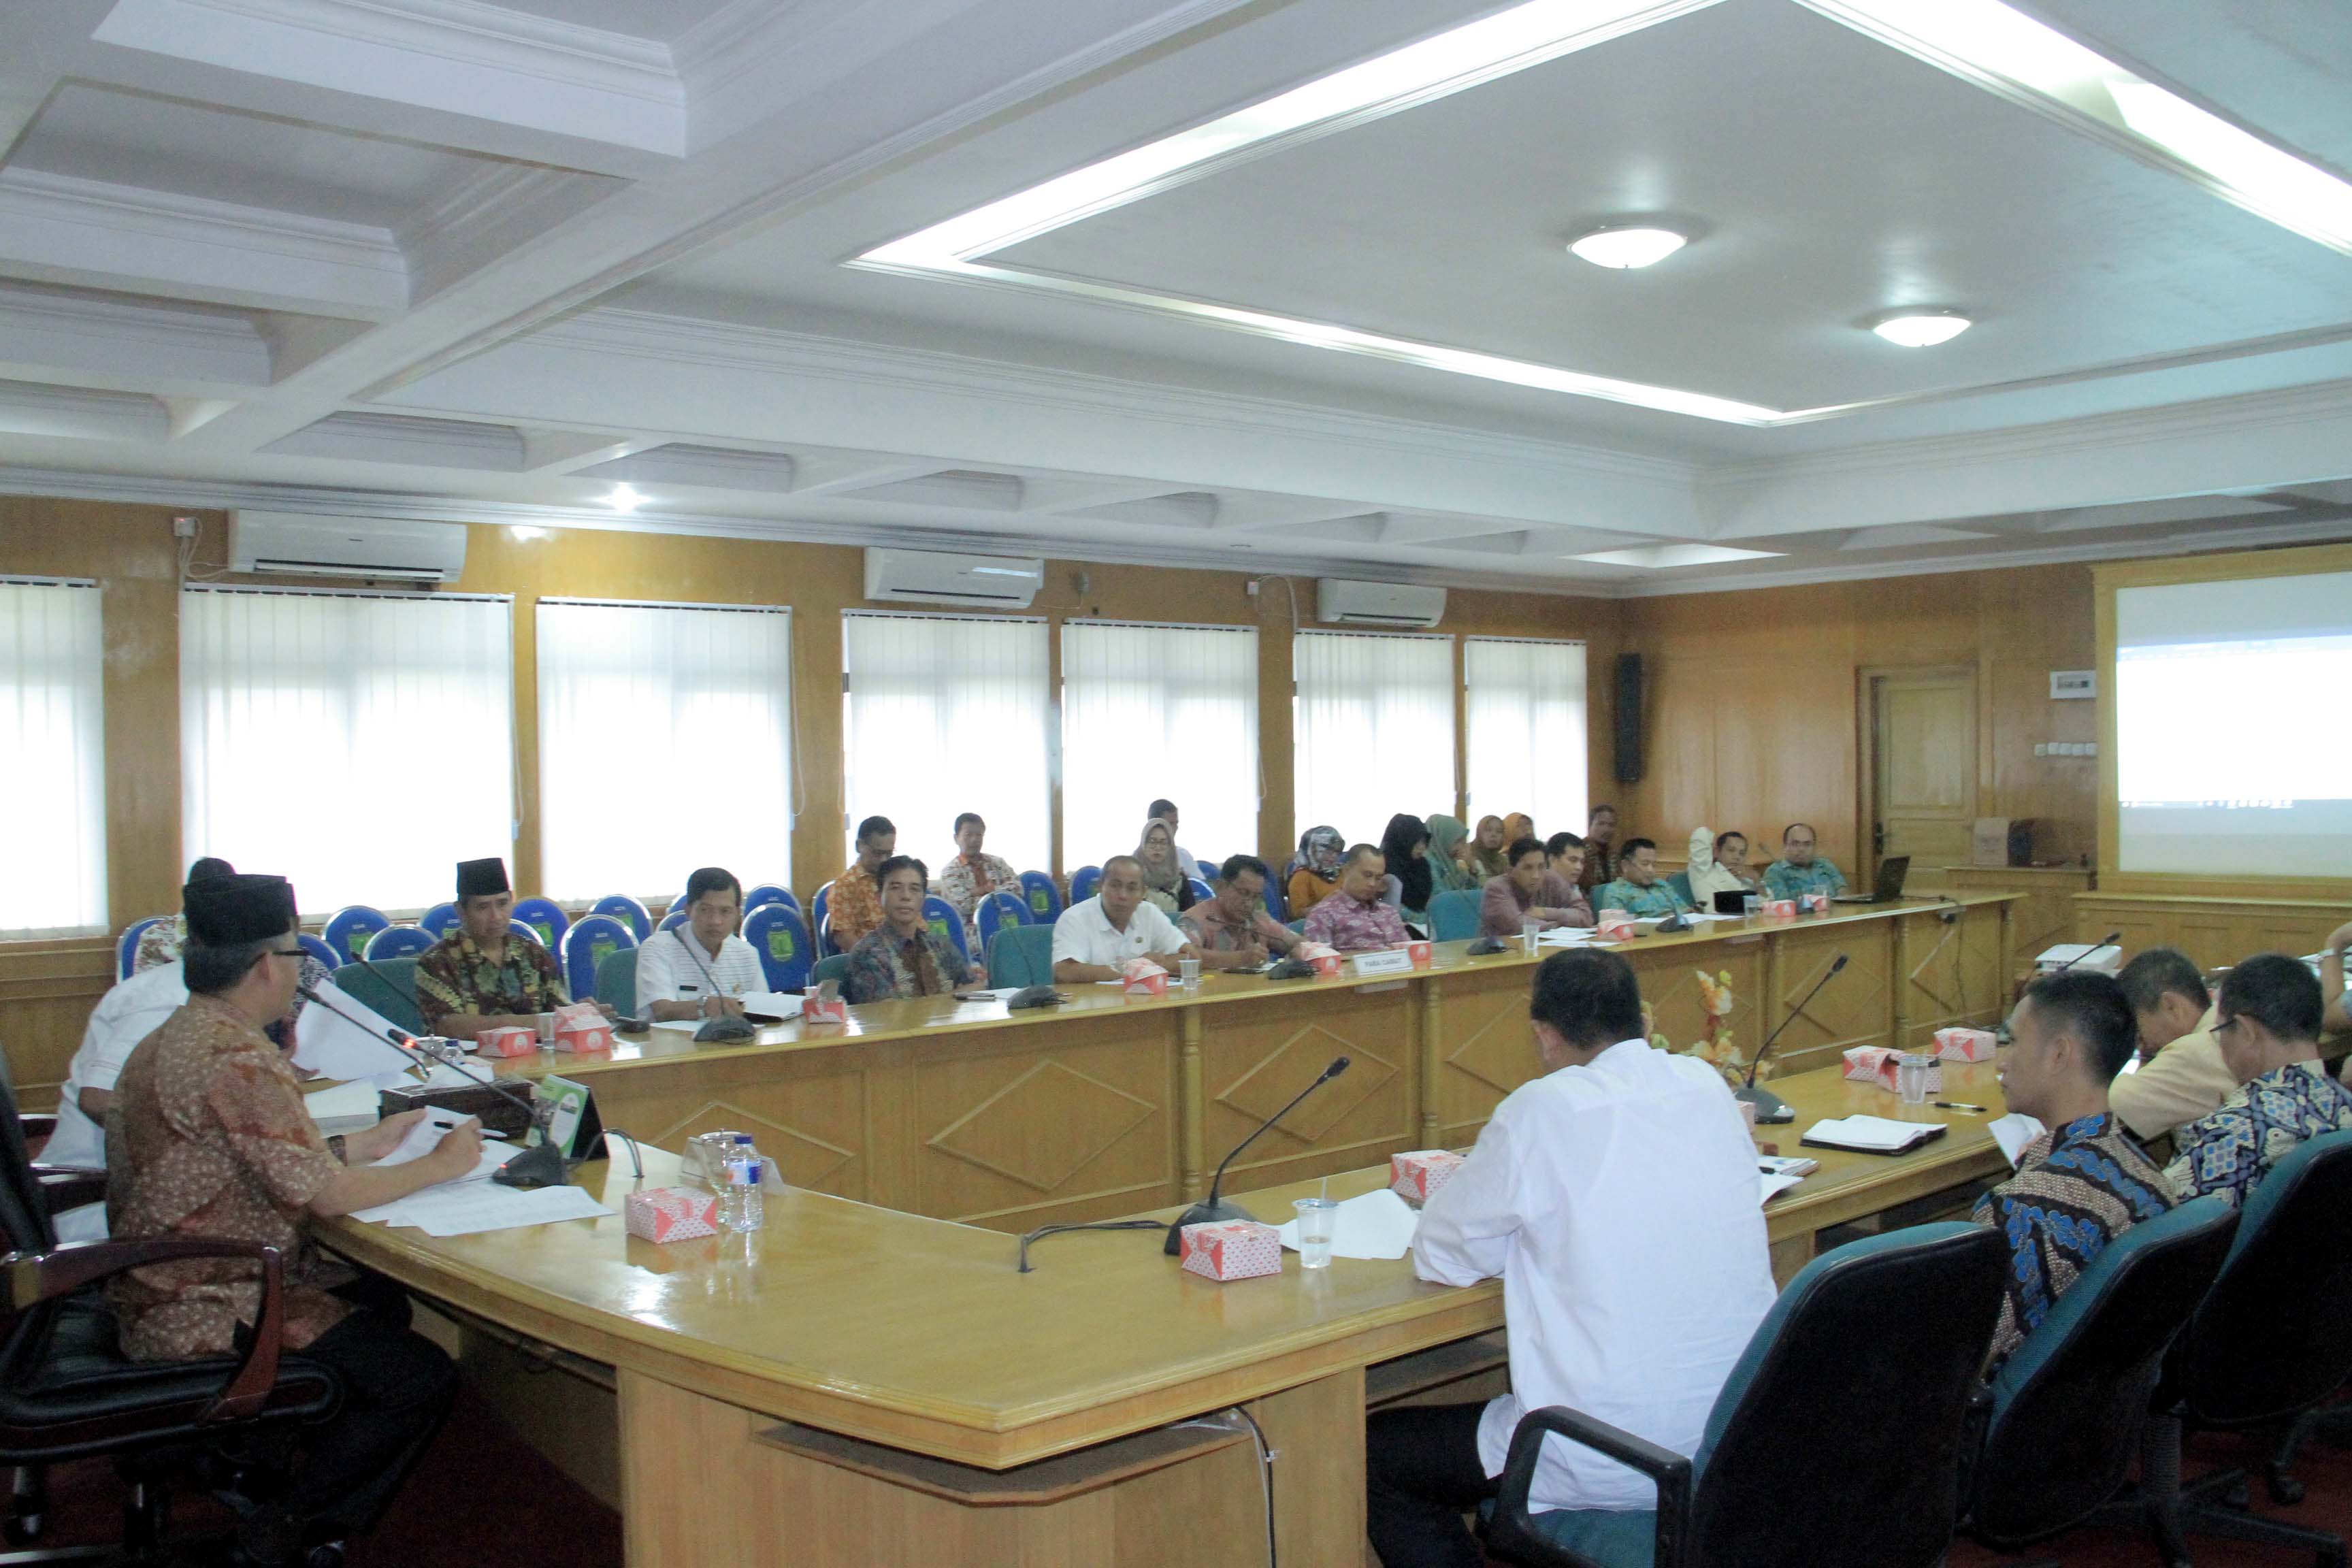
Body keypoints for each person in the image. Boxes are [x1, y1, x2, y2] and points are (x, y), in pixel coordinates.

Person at [105, 873, 477, 1564]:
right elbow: (326, 1198)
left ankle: (251, 1461)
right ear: (267, 965)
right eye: (298, 957)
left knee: (380, 1300)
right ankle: (286, 1525)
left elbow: (245, 1155)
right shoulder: (239, 1057)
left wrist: (363, 1145)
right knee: (418, 1380)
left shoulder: (184, 1032)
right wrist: (440, 1165)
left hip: (157, 1277)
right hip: (204, 1301)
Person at [1366, 948, 1775, 1568]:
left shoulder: (1541, 1108)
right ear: (1642, 1019)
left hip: (1607, 1455)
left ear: (1544, 1034)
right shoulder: (1705, 1085)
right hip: (1734, 1439)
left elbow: (1443, 1258)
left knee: (1373, 1457)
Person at [1971, 973, 2174, 1369]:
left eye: (2013, 1041)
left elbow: (1959, 1357)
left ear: (2059, 1054)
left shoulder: (2019, 1209)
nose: (2002, 1061)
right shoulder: (2152, 1179)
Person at [2165, 953, 2352, 1207]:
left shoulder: (2231, 1134)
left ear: (2246, 1031)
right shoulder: (2345, 1105)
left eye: (2220, 1031)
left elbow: (2152, 1220)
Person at [414, 858, 601, 1036]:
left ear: (512, 901)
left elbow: (558, 1012)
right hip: (468, 1059)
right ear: (461, 911)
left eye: (502, 904)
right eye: (483, 908)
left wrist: (582, 1014)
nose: (496, 916)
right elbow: (446, 1026)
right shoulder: (437, 962)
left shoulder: (535, 955)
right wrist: (527, 1023)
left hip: (536, 1057)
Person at [2110, 947, 2230, 1143]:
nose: (2140, 1044)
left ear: (2171, 1006)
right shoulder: (2222, 1021)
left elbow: (2107, 1104)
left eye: (2138, 1030)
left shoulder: (2194, 1051)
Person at [844, 855, 983, 1002]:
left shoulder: (940, 945)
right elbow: (887, 1010)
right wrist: (954, 996)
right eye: (896, 888)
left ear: (923, 899)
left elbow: (977, 987)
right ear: (879, 898)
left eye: (914, 889)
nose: (906, 896)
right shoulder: (867, 953)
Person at [637, 867, 765, 1022]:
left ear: (737, 914)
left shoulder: (747, 954)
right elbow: (662, 1011)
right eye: (705, 910)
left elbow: (763, 1012)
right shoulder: (658, 948)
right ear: (688, 911)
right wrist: (705, 1006)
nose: (716, 921)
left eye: (725, 911)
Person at [1051, 855, 1198, 983]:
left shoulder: (1149, 913)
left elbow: (1192, 957)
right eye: (1115, 886)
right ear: (1100, 887)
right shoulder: (1075, 918)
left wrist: (1147, 967)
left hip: (1142, 1002)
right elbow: (1064, 972)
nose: (1123, 895)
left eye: (1132, 888)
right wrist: (1134, 968)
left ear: (1143, 893)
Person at [1181, 855, 1301, 969]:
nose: (1249, 903)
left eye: (1256, 896)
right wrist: (1240, 959)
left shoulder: (1258, 919)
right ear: (1220, 886)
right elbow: (1185, 956)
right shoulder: (1194, 919)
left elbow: (1298, 941)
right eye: (1243, 893)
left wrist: (1299, 950)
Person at [131, 855, 237, 973]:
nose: (215, 902)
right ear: (190, 895)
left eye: (224, 895)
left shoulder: (246, 937)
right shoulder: (155, 939)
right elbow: (147, 984)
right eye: (208, 894)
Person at [1302, 844, 1409, 952]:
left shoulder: (1390, 912)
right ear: (1346, 871)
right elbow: (1320, 959)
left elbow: (1411, 953)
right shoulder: (1324, 914)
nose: (1372, 884)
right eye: (1367, 875)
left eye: (1378, 878)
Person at [938, 812, 1022, 953]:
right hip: (971, 935)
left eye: (979, 835)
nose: (974, 840)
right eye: (968, 835)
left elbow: (1018, 890)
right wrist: (997, 895)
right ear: (956, 838)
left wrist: (983, 891)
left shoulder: (997, 863)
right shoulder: (950, 872)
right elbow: (965, 905)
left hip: (1006, 924)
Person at [1481, 836, 1592, 937]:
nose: (1536, 876)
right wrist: (1561, 926)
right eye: (1528, 868)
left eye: (1541, 867)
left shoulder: (1553, 880)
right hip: (1504, 951)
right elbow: (1517, 925)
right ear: (1510, 870)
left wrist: (1546, 913)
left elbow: (1586, 916)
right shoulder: (1496, 888)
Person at [827, 816, 896, 951]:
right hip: (868, 959)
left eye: (889, 854)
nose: (884, 860)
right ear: (859, 846)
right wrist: (880, 960)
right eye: (877, 853)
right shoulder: (846, 885)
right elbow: (844, 937)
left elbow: (916, 927)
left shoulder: (896, 879)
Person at [1590, 838, 1690, 920]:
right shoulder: (1616, 891)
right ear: (1625, 866)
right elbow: (1618, 927)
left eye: (1654, 865)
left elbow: (1686, 913)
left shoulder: (1662, 885)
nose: (1651, 870)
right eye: (1645, 864)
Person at [1763, 823, 1848, 901]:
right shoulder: (1775, 872)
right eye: (1795, 844)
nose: (1801, 849)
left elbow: (1843, 892)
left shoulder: (1825, 864)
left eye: (1807, 844)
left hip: (1835, 911)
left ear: (1814, 847)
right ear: (1785, 846)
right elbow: (1782, 903)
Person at [1685, 826, 1761, 905]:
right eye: (1731, 850)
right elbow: (1701, 833)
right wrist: (1717, 840)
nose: (1737, 857)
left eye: (1742, 853)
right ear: (1717, 851)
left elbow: (1766, 904)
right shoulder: (1703, 870)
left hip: (1750, 913)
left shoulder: (1747, 878)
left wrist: (1757, 879)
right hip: (1716, 913)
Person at [1381, 813, 1435, 923]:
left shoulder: (1423, 865)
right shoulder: (1383, 865)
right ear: (1403, 841)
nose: (1422, 847)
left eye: (1424, 842)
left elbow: (1431, 900)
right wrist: (1421, 919)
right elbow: (1388, 907)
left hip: (1425, 925)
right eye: (1416, 842)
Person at [1134, 817, 1195, 915]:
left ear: (1170, 846)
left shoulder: (1179, 879)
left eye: (1163, 842)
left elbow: (1190, 916)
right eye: (1152, 841)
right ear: (1143, 843)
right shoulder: (1132, 875)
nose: (1158, 847)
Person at [1286, 826, 1345, 917]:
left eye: (1337, 851)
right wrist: (1328, 905)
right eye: (1328, 850)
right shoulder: (1302, 876)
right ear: (1311, 849)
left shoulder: (1342, 872)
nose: (1334, 856)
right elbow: (1298, 914)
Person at [1146, 798, 1206, 881]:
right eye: (1170, 823)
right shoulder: (1136, 861)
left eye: (1176, 823)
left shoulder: (1183, 856)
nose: (1175, 828)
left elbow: (1199, 885)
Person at [1424, 815, 1480, 896]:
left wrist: (1471, 869)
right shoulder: (1427, 863)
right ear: (1443, 839)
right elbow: (1441, 897)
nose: (1460, 847)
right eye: (1457, 841)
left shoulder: (1450, 862)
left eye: (1462, 842)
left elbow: (1472, 896)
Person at [1579, 805, 1620, 894]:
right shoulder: (1579, 850)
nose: (1606, 830)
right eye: (1601, 824)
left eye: (1611, 825)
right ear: (1590, 826)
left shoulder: (1615, 854)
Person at [1466, 816, 1511, 881]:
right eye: (1488, 830)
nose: (1493, 835)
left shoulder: (1504, 862)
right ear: (1479, 832)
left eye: (1499, 831)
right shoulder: (1467, 856)